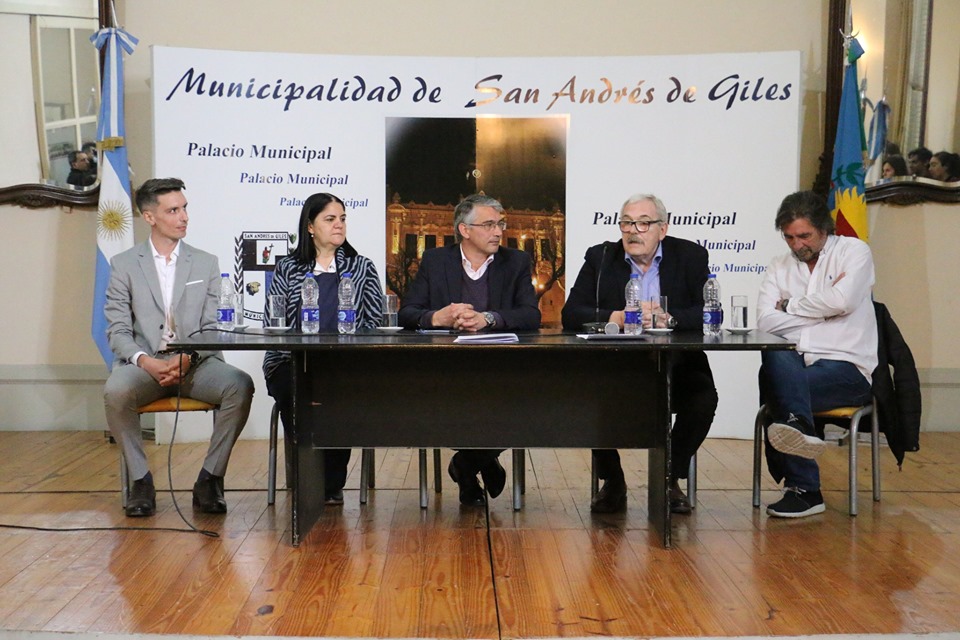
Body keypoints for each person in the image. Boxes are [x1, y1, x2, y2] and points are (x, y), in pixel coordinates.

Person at [104, 178, 255, 517]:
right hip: (146, 366)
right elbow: (117, 330)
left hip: (197, 363)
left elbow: (213, 326)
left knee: (239, 384)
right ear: (149, 217)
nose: (184, 216)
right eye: (173, 210)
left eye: (184, 208)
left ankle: (210, 478)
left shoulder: (205, 262)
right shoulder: (124, 264)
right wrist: (145, 361)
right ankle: (141, 481)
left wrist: (189, 357)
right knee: (115, 391)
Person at [561, 193, 718, 514]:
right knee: (589, 395)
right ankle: (613, 481)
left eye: (643, 224)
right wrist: (615, 317)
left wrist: (668, 318)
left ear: (663, 228)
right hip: (617, 364)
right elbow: (571, 314)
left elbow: (708, 312)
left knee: (703, 399)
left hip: (677, 363)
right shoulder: (601, 257)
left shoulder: (690, 256)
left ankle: (669, 477)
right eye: (627, 223)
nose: (633, 231)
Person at [398, 193, 541, 506]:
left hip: (501, 366)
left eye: (500, 224)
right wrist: (438, 317)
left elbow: (531, 315)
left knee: (524, 401)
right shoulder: (435, 261)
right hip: (447, 366)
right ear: (464, 230)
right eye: (489, 225)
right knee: (452, 402)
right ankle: (481, 462)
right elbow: (407, 313)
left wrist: (487, 318)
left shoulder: (516, 261)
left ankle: (465, 464)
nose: (498, 231)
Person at [756, 190, 877, 518]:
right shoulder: (779, 266)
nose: (797, 245)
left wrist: (790, 306)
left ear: (824, 229)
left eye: (804, 236)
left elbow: (843, 301)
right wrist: (826, 316)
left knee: (781, 391)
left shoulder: (854, 252)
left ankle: (805, 488)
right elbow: (766, 320)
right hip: (797, 363)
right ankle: (798, 428)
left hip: (847, 368)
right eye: (789, 237)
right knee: (774, 352)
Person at [262, 193, 383, 505]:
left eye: (342, 219)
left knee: (341, 392)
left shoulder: (361, 267)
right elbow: (274, 322)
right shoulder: (288, 267)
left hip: (345, 363)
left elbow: (375, 323)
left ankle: (330, 484)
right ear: (310, 226)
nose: (339, 225)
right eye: (330, 219)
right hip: (290, 361)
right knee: (296, 390)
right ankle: (307, 477)